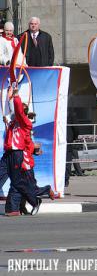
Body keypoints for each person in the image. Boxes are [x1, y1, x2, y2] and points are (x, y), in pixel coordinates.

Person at [3, 86, 42, 216]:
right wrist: (8, 97)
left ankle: (33, 201)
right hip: (8, 153)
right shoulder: (14, 122)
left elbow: (17, 110)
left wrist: (16, 95)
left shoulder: (25, 123)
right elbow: (8, 111)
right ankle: (15, 207)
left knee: (17, 182)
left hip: (16, 153)